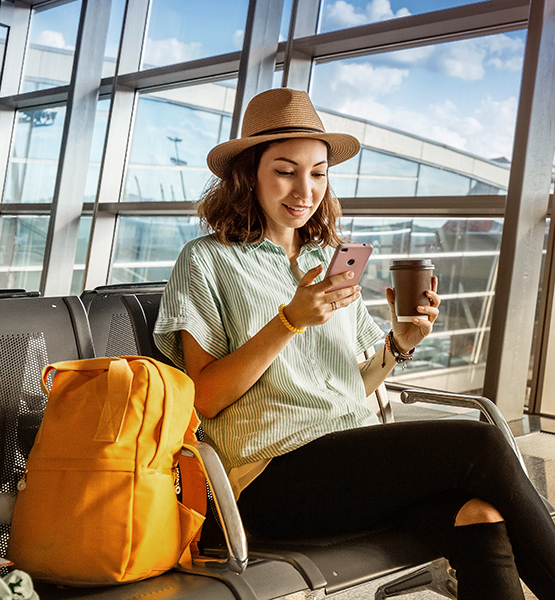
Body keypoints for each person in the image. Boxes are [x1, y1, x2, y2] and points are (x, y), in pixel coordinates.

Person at [154, 88, 555, 599]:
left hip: (349, 464)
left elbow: (352, 385)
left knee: (481, 516)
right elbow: (205, 397)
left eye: (318, 172)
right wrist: (288, 322)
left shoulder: (329, 257)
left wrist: (398, 345)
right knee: (477, 444)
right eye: (285, 170)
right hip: (269, 477)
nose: (305, 189)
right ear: (248, 173)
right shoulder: (206, 260)